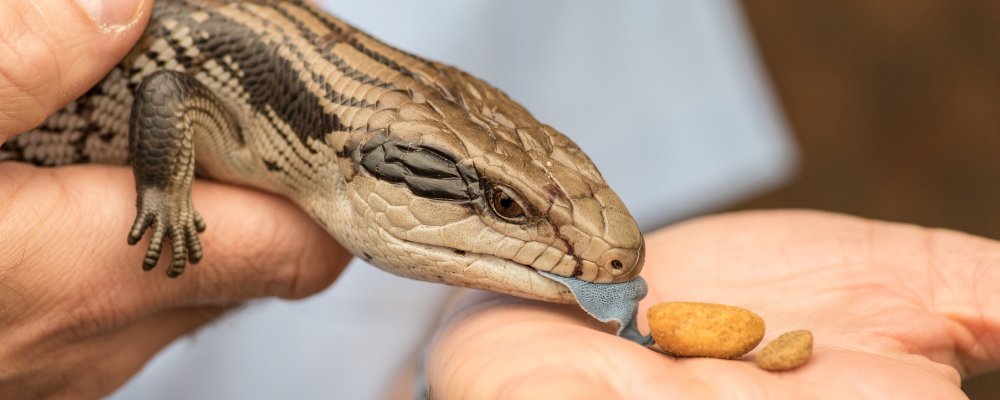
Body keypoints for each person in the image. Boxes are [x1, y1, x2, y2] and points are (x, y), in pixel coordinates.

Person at [2, 1, 997, 399]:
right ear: (361, 162)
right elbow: (168, 93)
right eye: (510, 213)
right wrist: (162, 193)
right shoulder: (253, 95)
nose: (612, 257)